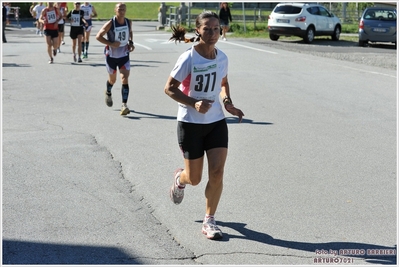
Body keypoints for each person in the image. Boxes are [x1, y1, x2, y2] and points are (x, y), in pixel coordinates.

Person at [164, 11, 244, 240]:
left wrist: (227, 102)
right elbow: (169, 88)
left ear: (221, 30)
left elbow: (224, 83)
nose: (212, 33)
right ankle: (181, 179)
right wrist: (193, 102)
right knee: (195, 179)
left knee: (217, 172)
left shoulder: (222, 57)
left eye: (216, 29)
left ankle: (210, 220)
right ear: (197, 30)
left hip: (216, 121)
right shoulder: (189, 58)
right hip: (190, 123)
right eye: (207, 29)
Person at [96, 3, 135, 116]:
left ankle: (124, 105)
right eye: (119, 9)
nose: (122, 11)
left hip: (124, 55)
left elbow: (130, 31)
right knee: (112, 80)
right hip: (111, 56)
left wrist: (131, 43)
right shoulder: (110, 23)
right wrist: (111, 44)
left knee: (124, 79)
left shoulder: (128, 22)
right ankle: (108, 92)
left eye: (123, 9)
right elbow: (98, 36)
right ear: (115, 10)